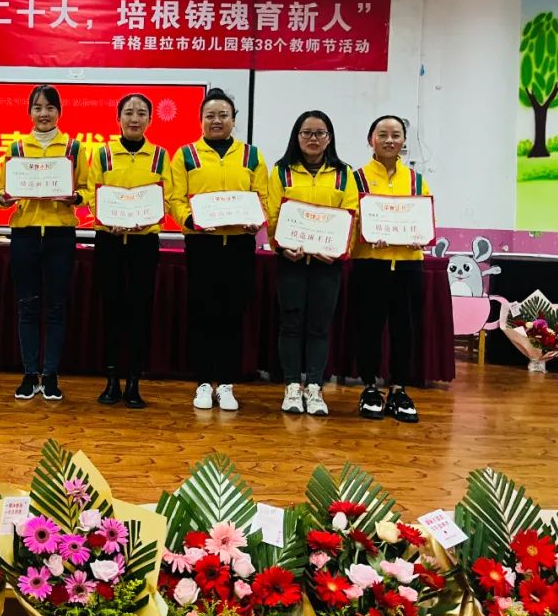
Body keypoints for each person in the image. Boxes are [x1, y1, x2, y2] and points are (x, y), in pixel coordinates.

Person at [170, 88, 267, 412]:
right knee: (201, 314)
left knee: (232, 315)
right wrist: (190, 220)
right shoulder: (186, 155)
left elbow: (264, 197)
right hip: (202, 245)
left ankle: (226, 384)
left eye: (223, 115)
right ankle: (202, 382)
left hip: (239, 246)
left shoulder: (251, 156)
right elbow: (175, 198)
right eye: (210, 115)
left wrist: (258, 220)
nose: (216, 120)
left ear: (233, 120)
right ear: (200, 120)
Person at [0, 85, 89, 402]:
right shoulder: (17, 148)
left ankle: (50, 375)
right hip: (25, 233)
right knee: (27, 305)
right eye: (37, 108)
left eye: (50, 107)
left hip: (60, 233)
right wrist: (4, 197)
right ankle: (28, 374)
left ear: (59, 112)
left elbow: (87, 188)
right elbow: (4, 191)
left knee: (56, 307)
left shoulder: (74, 148)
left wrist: (77, 197)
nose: (44, 114)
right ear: (29, 113)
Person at [266, 110, 358, 417]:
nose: (313, 138)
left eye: (320, 133)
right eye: (307, 133)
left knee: (319, 325)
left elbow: (352, 216)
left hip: (327, 263)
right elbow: (273, 215)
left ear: (329, 138)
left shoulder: (344, 173)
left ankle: (315, 387)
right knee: (291, 324)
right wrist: (282, 247)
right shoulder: (282, 171)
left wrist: (339, 250)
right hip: (291, 261)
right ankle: (293, 385)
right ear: (297, 136)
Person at [86, 93, 173, 409]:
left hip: (143, 243)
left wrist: (149, 218)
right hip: (109, 241)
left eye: (141, 113)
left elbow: (168, 197)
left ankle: (134, 381)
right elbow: (93, 195)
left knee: (140, 311)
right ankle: (111, 380)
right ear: (118, 118)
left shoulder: (160, 156)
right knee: (111, 309)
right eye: (128, 113)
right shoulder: (103, 154)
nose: (134, 119)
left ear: (150, 119)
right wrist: (106, 219)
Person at [350, 115, 430, 423]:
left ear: (404, 141)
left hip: (409, 265)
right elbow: (349, 220)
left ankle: (399, 389)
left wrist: (420, 236)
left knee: (404, 329)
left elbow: (425, 219)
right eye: (382, 134)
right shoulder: (356, 178)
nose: (389, 140)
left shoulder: (416, 180)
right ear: (370, 139)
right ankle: (369, 387)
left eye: (396, 135)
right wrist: (366, 233)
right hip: (370, 263)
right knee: (368, 327)